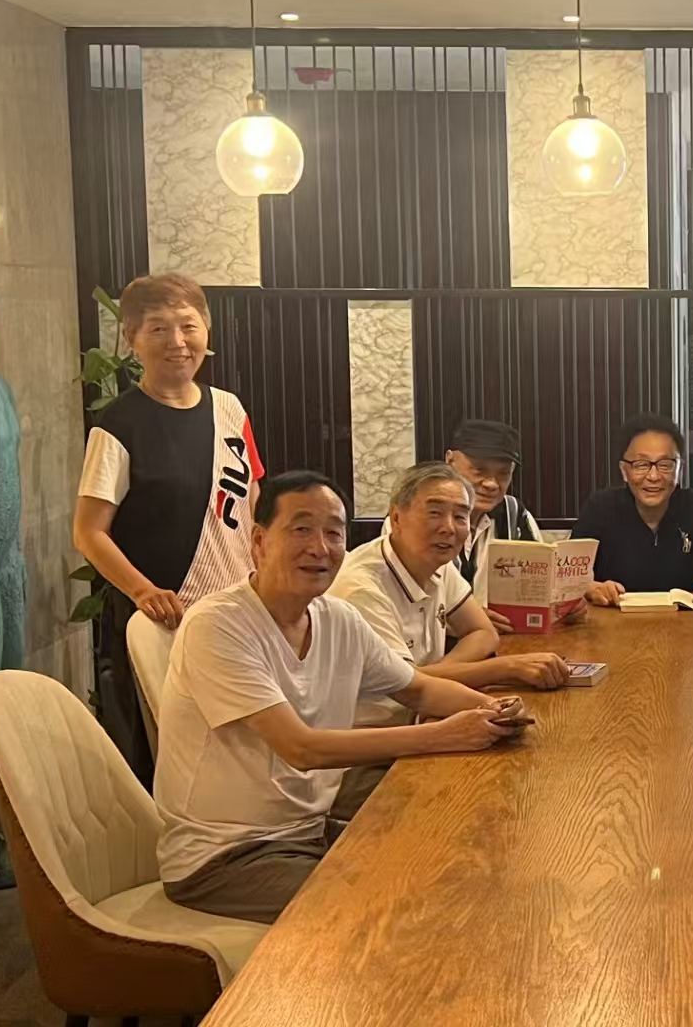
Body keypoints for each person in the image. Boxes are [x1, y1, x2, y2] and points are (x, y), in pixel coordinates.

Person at [155, 471, 523, 925]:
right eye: (302, 529)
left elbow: (419, 687)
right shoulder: (217, 624)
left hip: (311, 833)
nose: (320, 547)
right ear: (259, 541)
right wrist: (446, 735)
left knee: (455, 866)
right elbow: (301, 748)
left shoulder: (338, 619)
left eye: (333, 533)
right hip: (226, 857)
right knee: (398, 910)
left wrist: (489, 709)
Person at [74, 273, 263, 785]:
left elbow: (251, 499)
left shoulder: (229, 408)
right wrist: (143, 591)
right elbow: (89, 532)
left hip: (236, 610)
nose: (177, 342)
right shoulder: (118, 424)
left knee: (244, 749)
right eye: (158, 329)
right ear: (132, 339)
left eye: (188, 326)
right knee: (175, 759)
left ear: (206, 331)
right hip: (164, 621)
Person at [330, 461, 572, 705]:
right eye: (434, 513)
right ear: (396, 518)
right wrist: (507, 668)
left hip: (427, 709)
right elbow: (405, 686)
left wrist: (436, 675)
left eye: (460, 516)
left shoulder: (436, 561)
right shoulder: (362, 588)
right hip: (384, 724)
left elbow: (483, 632)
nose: (448, 528)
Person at [574, 414, 693, 606]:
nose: (653, 476)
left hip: (684, 621)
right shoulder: (600, 508)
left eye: (665, 465)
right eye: (641, 465)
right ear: (624, 471)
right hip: (613, 619)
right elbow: (568, 579)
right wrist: (590, 588)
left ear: (679, 470)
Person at [444, 418, 544, 633]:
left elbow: (540, 587)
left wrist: (564, 605)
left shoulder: (514, 514)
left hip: (505, 640)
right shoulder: (416, 515)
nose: (491, 484)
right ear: (450, 461)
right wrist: (465, 619)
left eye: (503, 474)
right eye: (479, 470)